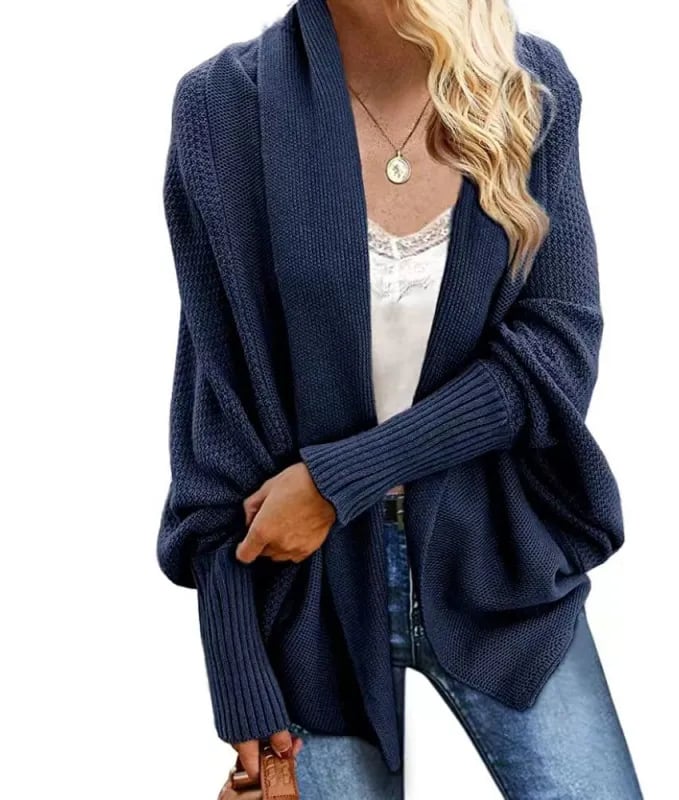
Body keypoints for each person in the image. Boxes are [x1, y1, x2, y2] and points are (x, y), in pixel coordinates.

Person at [157, 0, 644, 796]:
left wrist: (340, 480)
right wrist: (239, 680)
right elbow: (217, 417)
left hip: (499, 568)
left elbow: (557, 353)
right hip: (309, 602)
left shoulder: (527, 85)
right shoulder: (224, 106)